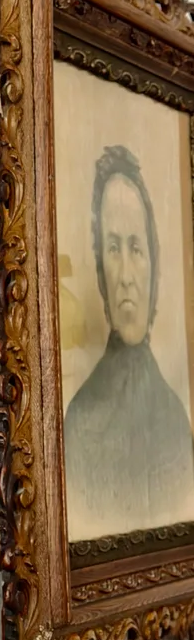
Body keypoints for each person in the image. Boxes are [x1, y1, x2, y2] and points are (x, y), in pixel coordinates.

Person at [64, 145, 194, 533]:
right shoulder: (79, 425)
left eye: (136, 248)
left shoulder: (177, 420)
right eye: (113, 247)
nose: (125, 275)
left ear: (153, 265)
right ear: (100, 271)